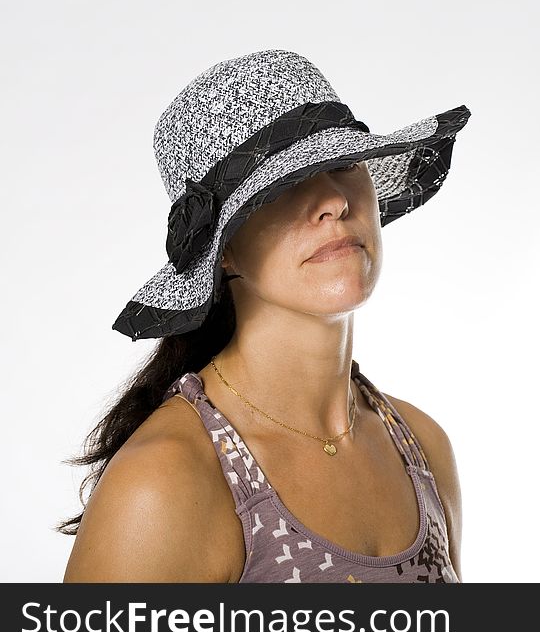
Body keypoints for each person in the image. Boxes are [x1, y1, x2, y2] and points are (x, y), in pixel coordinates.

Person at [59, 49, 471, 583]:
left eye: (342, 163)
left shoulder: (422, 447)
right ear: (221, 249)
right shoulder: (167, 482)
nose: (332, 200)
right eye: (282, 185)